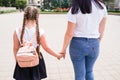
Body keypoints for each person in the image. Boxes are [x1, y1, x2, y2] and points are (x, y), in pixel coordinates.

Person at [60, 0, 107, 80]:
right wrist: (97, 43)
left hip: (77, 44)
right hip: (94, 43)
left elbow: (69, 33)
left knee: (79, 75)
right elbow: (101, 29)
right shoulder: (102, 7)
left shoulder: (75, 8)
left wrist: (63, 49)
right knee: (89, 71)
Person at [13, 6, 63, 80]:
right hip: (35, 60)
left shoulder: (17, 30)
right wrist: (57, 55)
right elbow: (46, 48)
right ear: (37, 16)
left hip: (22, 60)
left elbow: (15, 48)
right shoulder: (40, 31)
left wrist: (18, 61)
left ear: (24, 15)